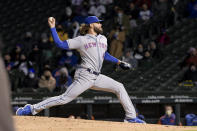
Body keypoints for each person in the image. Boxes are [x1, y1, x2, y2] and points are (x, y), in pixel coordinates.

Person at [16, 16, 145, 123]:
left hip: (97, 76)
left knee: (119, 87)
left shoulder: (103, 39)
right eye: (98, 23)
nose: (100, 25)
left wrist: (118, 61)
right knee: (64, 99)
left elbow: (104, 54)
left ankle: (131, 117)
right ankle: (31, 109)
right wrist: (53, 28)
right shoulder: (81, 40)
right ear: (91, 25)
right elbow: (60, 44)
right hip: (85, 75)